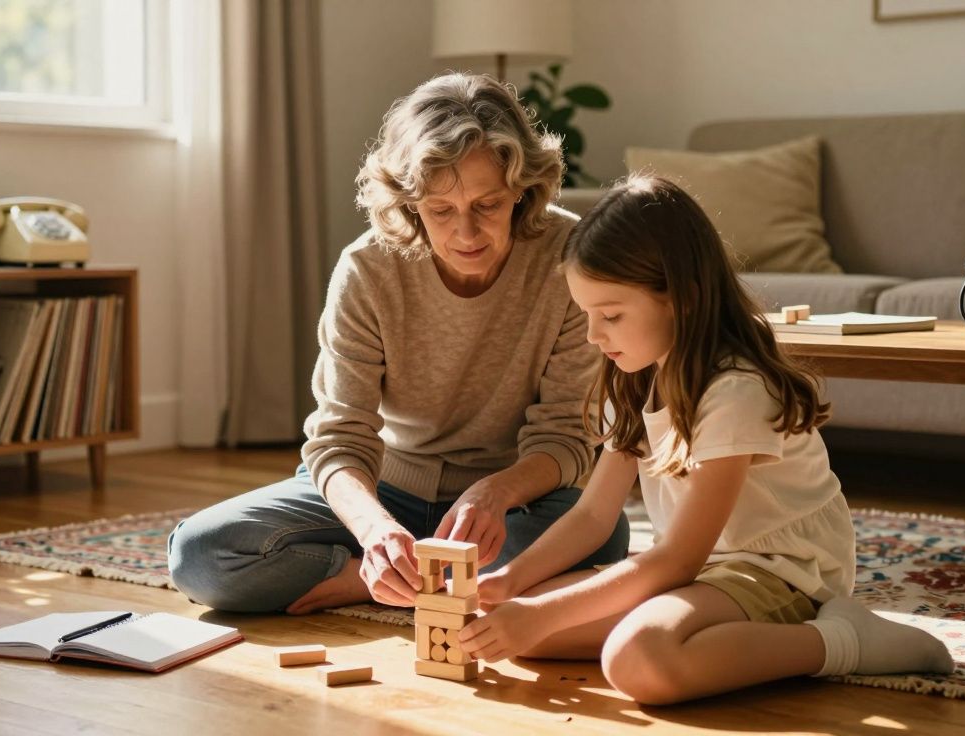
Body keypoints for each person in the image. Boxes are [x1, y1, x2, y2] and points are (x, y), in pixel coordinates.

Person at [457, 175, 954, 704]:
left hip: (778, 571)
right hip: (705, 570)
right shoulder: (635, 376)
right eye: (587, 315)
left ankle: (841, 640)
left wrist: (541, 612)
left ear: (682, 298)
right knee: (521, 632)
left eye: (611, 315)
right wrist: (511, 582)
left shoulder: (736, 390)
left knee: (638, 657)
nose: (593, 336)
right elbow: (592, 515)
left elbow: (678, 560)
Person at [167, 73, 628, 614]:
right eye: (441, 211)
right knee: (199, 555)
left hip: (513, 504)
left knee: (606, 535)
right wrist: (375, 532)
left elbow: (566, 436)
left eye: (488, 205)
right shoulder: (367, 269)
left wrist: (496, 492)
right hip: (386, 486)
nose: (467, 234)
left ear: (522, 189)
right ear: (411, 204)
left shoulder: (570, 260)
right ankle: (390, 576)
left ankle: (400, 582)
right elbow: (340, 437)